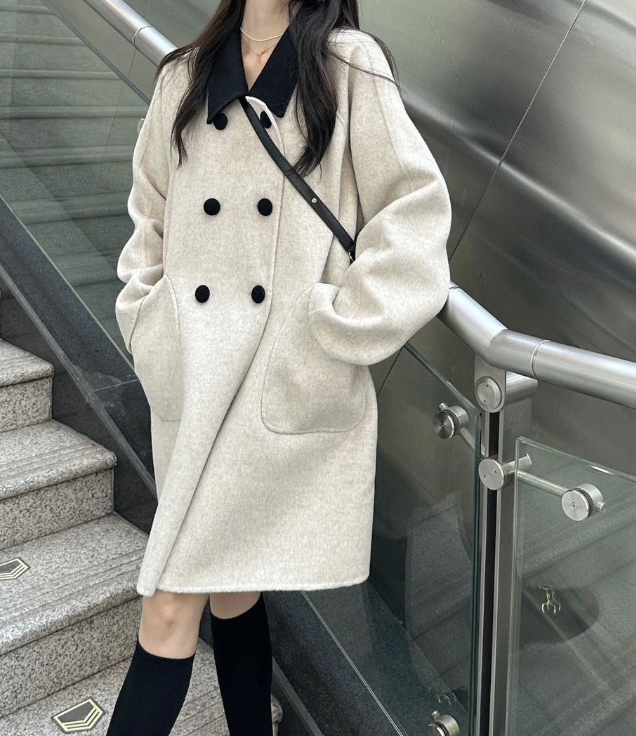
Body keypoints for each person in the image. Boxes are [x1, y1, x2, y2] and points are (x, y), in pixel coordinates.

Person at [107, 0, 452, 732]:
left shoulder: (346, 64)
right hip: (192, 380)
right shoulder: (184, 77)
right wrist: (148, 320)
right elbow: (150, 213)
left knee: (170, 603)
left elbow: (414, 210)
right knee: (230, 588)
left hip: (274, 383)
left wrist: (336, 326)